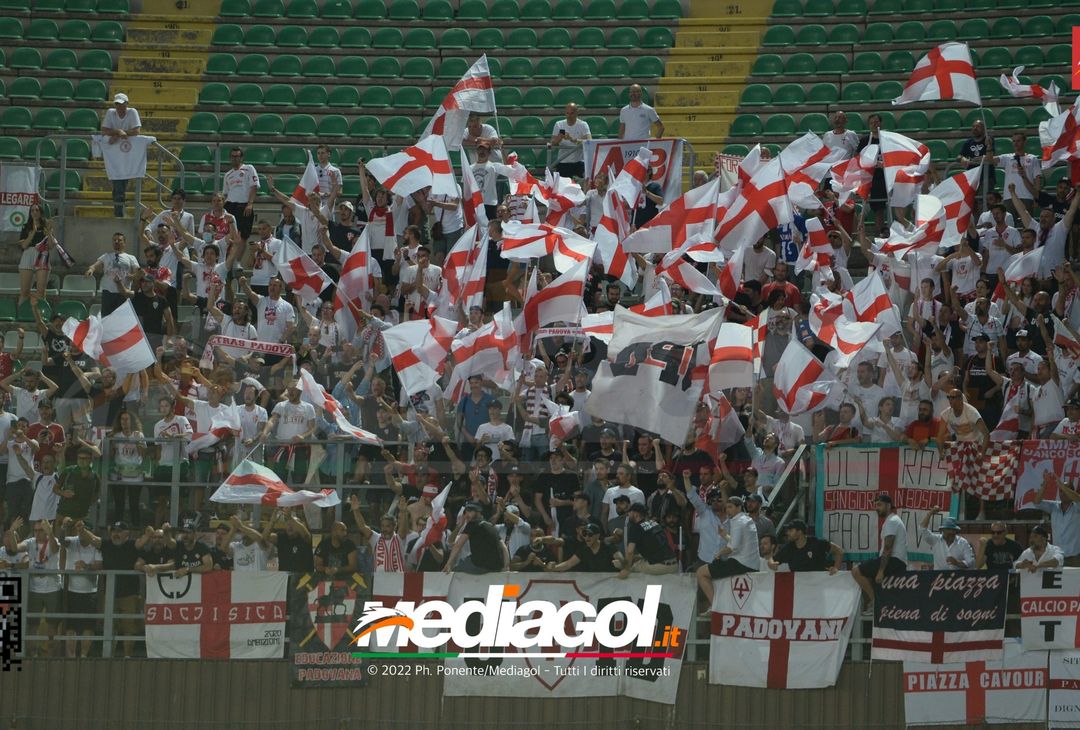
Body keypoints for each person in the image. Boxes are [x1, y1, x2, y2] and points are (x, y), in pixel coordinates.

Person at [4, 517, 62, 656]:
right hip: (34, 588)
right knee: (32, 623)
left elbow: (55, 548)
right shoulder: (30, 542)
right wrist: (12, 531)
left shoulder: (53, 541)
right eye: (35, 530)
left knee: (51, 624)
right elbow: (15, 548)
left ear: (47, 530)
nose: (37, 533)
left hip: (52, 588)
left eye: (40, 530)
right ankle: (32, 653)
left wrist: (51, 533)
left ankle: (50, 654)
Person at [694, 497, 759, 607]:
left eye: (730, 507)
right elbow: (738, 543)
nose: (727, 510)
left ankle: (715, 605)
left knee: (701, 572)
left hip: (741, 563)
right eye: (726, 507)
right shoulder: (746, 519)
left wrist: (719, 553)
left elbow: (732, 547)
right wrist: (724, 535)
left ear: (739, 508)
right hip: (752, 563)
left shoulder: (737, 521)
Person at [851, 493, 908, 612]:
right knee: (869, 576)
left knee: (856, 571)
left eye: (879, 505)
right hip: (897, 561)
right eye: (875, 505)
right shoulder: (892, 520)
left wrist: (881, 571)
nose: (877, 508)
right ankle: (876, 603)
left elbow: (888, 547)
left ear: (888, 505)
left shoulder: (892, 521)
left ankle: (876, 602)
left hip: (894, 561)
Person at [58, 517, 102, 658]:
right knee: (71, 626)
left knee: (88, 627)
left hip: (90, 592)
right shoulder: (73, 540)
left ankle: (83, 656)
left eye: (84, 531)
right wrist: (64, 527)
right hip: (71, 590)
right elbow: (62, 541)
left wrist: (86, 566)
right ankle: (70, 657)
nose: (81, 534)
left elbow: (99, 565)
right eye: (79, 531)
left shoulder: (96, 544)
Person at [100, 93, 142, 216]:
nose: (119, 106)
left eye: (122, 104)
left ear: (126, 104)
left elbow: (137, 131)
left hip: (129, 152)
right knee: (118, 181)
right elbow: (104, 130)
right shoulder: (111, 112)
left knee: (120, 182)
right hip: (117, 154)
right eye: (117, 104)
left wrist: (117, 134)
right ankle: (119, 211)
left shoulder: (132, 112)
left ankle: (119, 210)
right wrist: (118, 132)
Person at [350, 493, 408, 573]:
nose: (384, 529)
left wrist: (403, 511)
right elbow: (363, 527)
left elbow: (403, 529)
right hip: (379, 580)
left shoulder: (399, 538)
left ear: (394, 526)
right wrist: (356, 511)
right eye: (383, 526)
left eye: (388, 526)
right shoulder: (376, 538)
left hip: (398, 579)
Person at [444, 501, 508, 574]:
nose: (467, 514)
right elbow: (504, 547)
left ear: (478, 512)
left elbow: (458, 544)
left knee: (455, 571)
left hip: (479, 565)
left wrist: (448, 564)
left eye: (470, 510)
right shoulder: (491, 526)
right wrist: (506, 566)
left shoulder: (473, 523)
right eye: (466, 511)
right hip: (496, 566)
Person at [86, 232, 141, 315]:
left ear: (124, 243)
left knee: (121, 319)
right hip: (108, 293)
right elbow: (94, 266)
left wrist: (131, 276)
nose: (116, 242)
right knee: (106, 318)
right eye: (114, 240)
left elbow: (138, 273)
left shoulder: (131, 258)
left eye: (119, 240)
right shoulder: (106, 256)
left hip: (123, 293)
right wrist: (91, 270)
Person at [618, 503, 679, 578]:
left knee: (632, 568)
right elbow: (658, 545)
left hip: (659, 567)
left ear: (635, 514)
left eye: (629, 513)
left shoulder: (635, 527)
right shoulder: (654, 523)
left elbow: (630, 551)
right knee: (639, 561)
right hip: (674, 565)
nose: (628, 515)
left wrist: (626, 569)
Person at [1031, 475, 1080, 567]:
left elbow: (1078, 498)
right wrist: (1044, 485)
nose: (1063, 493)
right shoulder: (1054, 506)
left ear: (1071, 492)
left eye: (1065, 490)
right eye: (1061, 491)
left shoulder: (1077, 507)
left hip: (1075, 557)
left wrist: (1062, 486)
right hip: (1057, 557)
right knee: (1058, 581)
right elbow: (1037, 502)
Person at [769, 519, 843, 572]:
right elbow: (772, 559)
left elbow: (839, 551)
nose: (787, 533)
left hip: (820, 584)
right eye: (788, 530)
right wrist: (771, 564)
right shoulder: (789, 547)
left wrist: (836, 568)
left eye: (791, 530)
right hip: (800, 587)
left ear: (799, 532)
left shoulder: (817, 543)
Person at [546, 523, 619, 572]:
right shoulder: (584, 550)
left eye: (590, 534)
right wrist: (554, 568)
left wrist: (621, 565)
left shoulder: (608, 547)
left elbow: (623, 561)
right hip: (596, 589)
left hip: (612, 587)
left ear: (597, 535)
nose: (587, 537)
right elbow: (568, 564)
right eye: (584, 534)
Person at [222, 146, 259, 240]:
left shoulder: (249, 169)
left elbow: (254, 186)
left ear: (241, 157)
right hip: (230, 205)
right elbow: (225, 193)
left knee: (242, 236)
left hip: (243, 205)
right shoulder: (227, 175)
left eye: (237, 156)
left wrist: (250, 204)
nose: (235, 159)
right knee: (230, 235)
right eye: (232, 156)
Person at [263, 507, 313, 573]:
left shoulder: (304, 538)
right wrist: (272, 521)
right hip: (284, 579)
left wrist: (290, 517)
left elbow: (305, 534)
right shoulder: (281, 537)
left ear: (299, 526)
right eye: (287, 524)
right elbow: (264, 538)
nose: (290, 527)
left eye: (292, 524)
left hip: (303, 578)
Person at [549, 103, 591, 179]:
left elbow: (589, 141)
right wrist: (559, 137)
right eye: (567, 113)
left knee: (585, 181)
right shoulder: (559, 124)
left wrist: (573, 140)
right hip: (563, 161)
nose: (569, 116)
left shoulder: (583, 124)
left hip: (580, 161)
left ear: (576, 113)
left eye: (572, 113)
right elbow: (552, 143)